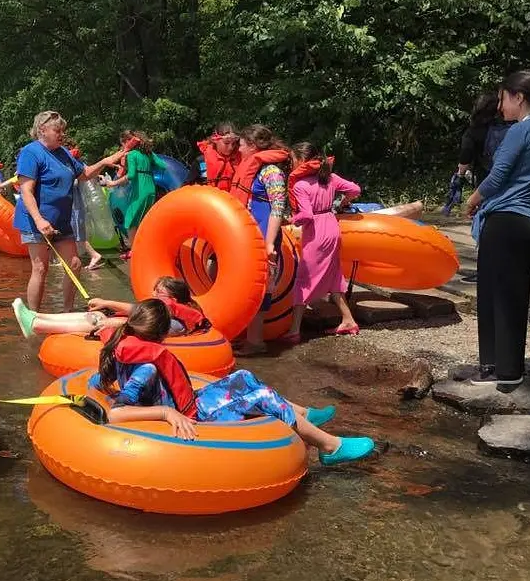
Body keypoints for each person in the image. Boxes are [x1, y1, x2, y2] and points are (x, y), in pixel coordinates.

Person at [88, 299, 375, 465]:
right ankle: (329, 447)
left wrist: (100, 383)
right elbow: (116, 413)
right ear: (162, 334)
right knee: (261, 397)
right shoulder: (147, 366)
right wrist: (166, 412)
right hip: (193, 415)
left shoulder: (125, 340)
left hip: (187, 401)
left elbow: (104, 378)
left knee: (243, 376)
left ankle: (303, 415)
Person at [465, 70, 530, 387]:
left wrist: (473, 199)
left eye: (502, 98)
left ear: (518, 97)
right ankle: (512, 367)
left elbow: (497, 177)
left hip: (506, 220)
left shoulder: (520, 132)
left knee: (494, 294)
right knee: (515, 294)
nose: (500, 107)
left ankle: (495, 369)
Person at [13, 111, 123, 311]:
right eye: (57, 130)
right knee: (40, 268)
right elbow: (26, 190)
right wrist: (39, 220)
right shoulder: (31, 153)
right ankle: (34, 316)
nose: (62, 134)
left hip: (61, 221)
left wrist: (104, 161)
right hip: (35, 221)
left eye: (63, 130)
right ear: (42, 130)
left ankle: (67, 311)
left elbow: (85, 174)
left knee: (74, 264)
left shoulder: (63, 153)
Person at [279, 143, 361, 344]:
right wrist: (342, 203)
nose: (291, 164)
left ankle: (294, 330)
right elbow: (355, 189)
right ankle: (348, 320)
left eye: (293, 160)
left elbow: (306, 215)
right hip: (332, 227)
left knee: (303, 279)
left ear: (302, 161)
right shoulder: (330, 178)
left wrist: (290, 221)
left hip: (316, 232)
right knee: (333, 275)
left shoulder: (300, 185)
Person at [231, 125, 291, 353]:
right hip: (249, 238)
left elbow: (277, 208)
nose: (239, 148)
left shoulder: (270, 171)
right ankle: (249, 337)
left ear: (253, 146)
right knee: (248, 286)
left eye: (242, 144)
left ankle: (256, 342)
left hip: (264, 239)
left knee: (261, 287)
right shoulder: (254, 169)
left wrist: (269, 243)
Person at [444, 92, 514, 282]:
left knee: (484, 224)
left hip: (487, 183)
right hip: (512, 183)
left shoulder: (475, 130)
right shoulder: (513, 127)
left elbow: (465, 157)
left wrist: (459, 177)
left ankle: (484, 271)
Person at [11, 276, 208, 338]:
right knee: (97, 315)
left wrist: (107, 305)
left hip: (144, 332)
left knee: (100, 320)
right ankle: (38, 316)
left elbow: (140, 316)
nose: (155, 295)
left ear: (173, 298)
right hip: (143, 326)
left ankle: (37, 325)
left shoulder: (176, 324)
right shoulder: (171, 312)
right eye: (155, 291)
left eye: (160, 293)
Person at [102, 131, 160, 259]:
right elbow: (163, 165)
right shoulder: (148, 154)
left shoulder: (132, 155)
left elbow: (131, 175)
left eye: (123, 144)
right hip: (151, 189)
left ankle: (135, 252)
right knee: (143, 220)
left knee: (130, 220)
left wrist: (113, 183)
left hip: (140, 190)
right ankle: (147, 249)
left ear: (127, 142)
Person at [66, 142, 105, 271]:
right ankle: (69, 257)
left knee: (77, 233)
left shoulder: (73, 164)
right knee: (73, 233)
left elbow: (77, 181)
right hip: (73, 204)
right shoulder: (77, 163)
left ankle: (94, 255)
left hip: (74, 205)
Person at [197, 122, 242, 191]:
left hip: (232, 200)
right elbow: (186, 188)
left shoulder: (241, 159)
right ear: (215, 140)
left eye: (233, 143)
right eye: (226, 143)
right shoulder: (201, 161)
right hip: (209, 199)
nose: (231, 148)